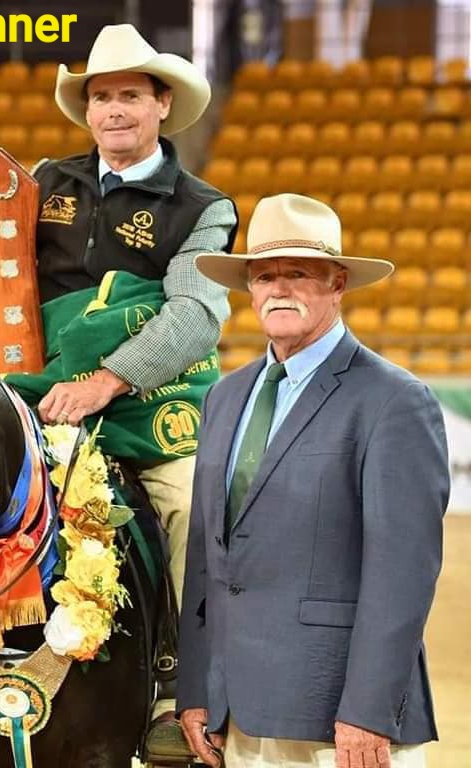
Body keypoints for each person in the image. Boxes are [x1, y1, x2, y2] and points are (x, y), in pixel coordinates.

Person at [0, 22, 238, 764]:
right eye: (101, 97)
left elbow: (194, 314)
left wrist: (106, 381)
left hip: (151, 405)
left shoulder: (203, 206)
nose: (114, 110)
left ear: (161, 105)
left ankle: (176, 690)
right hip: (34, 399)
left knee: (189, 507)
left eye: (130, 95)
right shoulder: (43, 182)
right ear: (87, 110)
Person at [176, 193, 449, 768]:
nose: (279, 289)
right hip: (237, 716)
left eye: (298, 274)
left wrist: (369, 711)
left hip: (339, 725)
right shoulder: (224, 397)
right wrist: (196, 689)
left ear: (337, 284)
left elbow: (402, 575)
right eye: (264, 276)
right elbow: (206, 560)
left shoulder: (394, 401)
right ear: (249, 290)